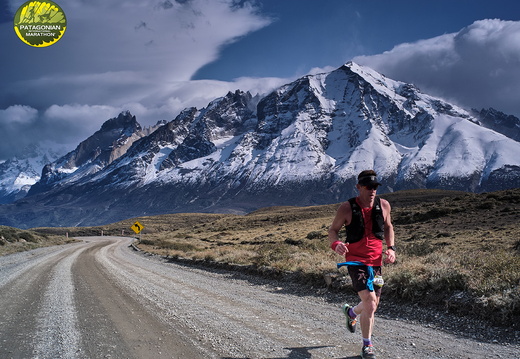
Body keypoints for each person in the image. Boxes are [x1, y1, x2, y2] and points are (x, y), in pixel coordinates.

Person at [328, 170, 396, 359]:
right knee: (370, 302)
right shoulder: (347, 208)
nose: (372, 190)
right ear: (359, 187)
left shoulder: (384, 205)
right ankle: (367, 346)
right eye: (368, 186)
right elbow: (333, 230)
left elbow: (389, 226)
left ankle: (351, 312)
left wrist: (391, 248)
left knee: (372, 305)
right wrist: (336, 244)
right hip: (356, 262)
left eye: (374, 186)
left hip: (376, 263)